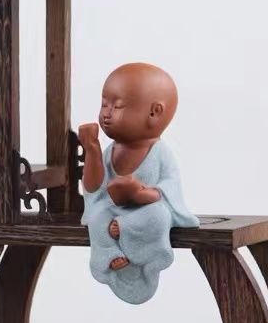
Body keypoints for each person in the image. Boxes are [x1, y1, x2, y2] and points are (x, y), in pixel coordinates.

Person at [78, 63, 199, 304]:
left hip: (143, 213)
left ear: (154, 113)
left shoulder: (160, 153)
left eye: (117, 106)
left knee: (159, 216)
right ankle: (109, 253)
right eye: (104, 104)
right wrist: (92, 150)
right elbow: (94, 188)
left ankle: (132, 242)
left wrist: (140, 194)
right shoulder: (111, 151)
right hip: (112, 210)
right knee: (98, 214)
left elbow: (169, 191)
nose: (106, 113)